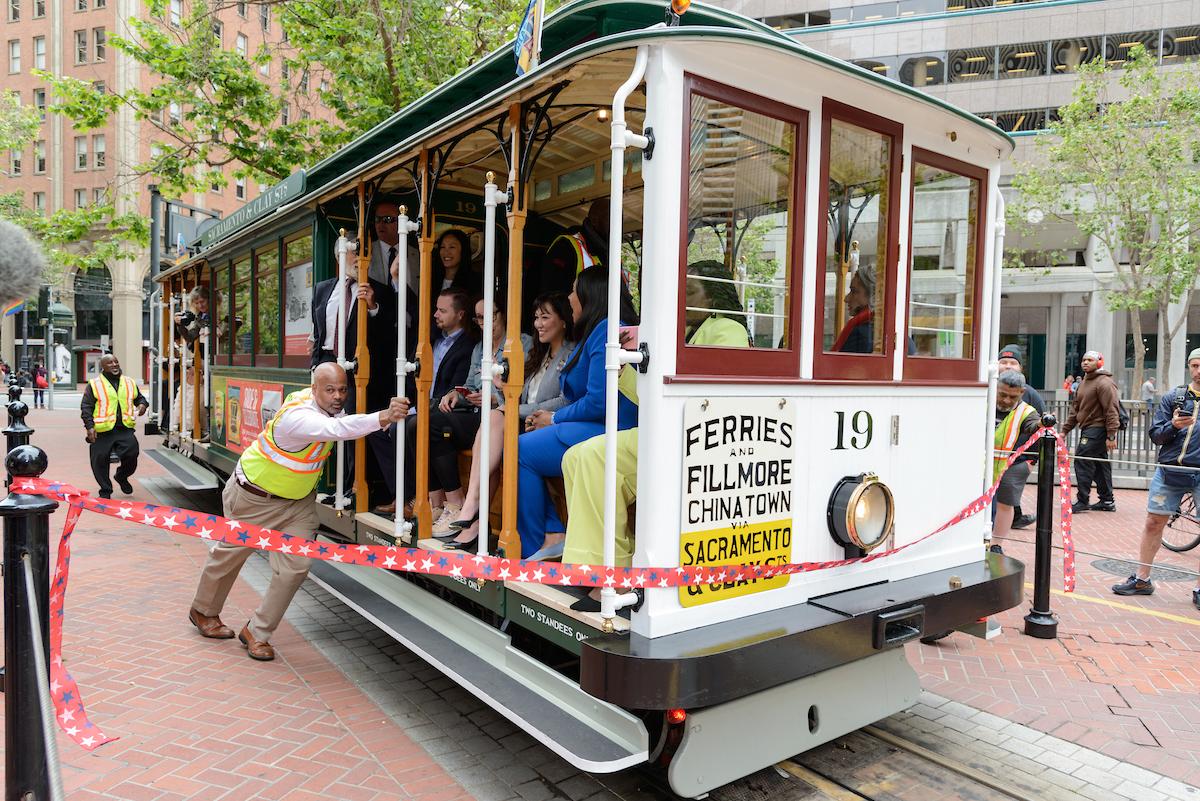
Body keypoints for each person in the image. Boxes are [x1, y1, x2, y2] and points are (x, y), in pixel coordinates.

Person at [188, 363, 410, 660]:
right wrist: (383, 416)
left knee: (296, 567)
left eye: (343, 389)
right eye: (330, 390)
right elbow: (338, 430)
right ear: (313, 388)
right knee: (230, 555)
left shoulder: (328, 407)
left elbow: (343, 421)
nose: (338, 396)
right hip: (254, 498)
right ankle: (203, 611)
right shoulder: (298, 416)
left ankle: (258, 631)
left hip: (298, 504)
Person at [516, 267, 638, 560]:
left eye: (573, 290)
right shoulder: (600, 329)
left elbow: (599, 401)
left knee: (519, 450)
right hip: (598, 425)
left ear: (590, 294)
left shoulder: (608, 329)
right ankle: (551, 535)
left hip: (612, 427)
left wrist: (553, 419)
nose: (569, 297)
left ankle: (543, 540)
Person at [441, 293, 574, 550]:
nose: (538, 324)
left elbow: (563, 401)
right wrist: (504, 392)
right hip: (523, 424)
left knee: (503, 431)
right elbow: (514, 398)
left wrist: (515, 407)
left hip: (549, 427)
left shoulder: (571, 354)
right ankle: (475, 514)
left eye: (545, 317)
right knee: (495, 426)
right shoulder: (539, 354)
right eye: (536, 317)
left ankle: (474, 510)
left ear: (564, 321)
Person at [425, 299, 531, 542]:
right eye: (479, 318)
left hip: (505, 417)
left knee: (435, 426)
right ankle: (444, 505)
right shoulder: (479, 348)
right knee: (425, 423)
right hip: (477, 414)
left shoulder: (522, 343)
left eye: (490, 316)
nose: (485, 323)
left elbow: (521, 391)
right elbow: (472, 387)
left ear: (503, 314)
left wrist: (493, 398)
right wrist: (457, 394)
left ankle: (460, 507)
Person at [369, 288, 478, 516]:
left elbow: (453, 390)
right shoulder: (432, 341)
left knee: (404, 427)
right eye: (435, 309)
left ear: (460, 315)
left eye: (442, 310)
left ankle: (415, 499)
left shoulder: (468, 347)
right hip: (420, 406)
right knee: (377, 429)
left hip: (442, 412)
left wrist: (411, 413)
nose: (435, 314)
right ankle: (405, 495)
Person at [1111, 348, 1200, 612]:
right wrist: (1173, 426)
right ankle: (1142, 579)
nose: (1198, 371)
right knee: (1153, 522)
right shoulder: (1175, 397)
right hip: (1169, 470)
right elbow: (1156, 436)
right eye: (1194, 365)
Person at [80, 354, 149, 499]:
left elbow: (140, 398)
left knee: (132, 454)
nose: (114, 365)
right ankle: (105, 490)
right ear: (103, 367)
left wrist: (142, 405)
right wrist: (89, 427)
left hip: (124, 428)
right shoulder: (94, 384)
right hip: (102, 430)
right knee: (99, 460)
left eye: (116, 362)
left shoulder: (129, 382)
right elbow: (86, 406)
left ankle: (121, 476)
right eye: (110, 363)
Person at [1061, 350, 1120, 513]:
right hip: (1088, 428)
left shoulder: (1104, 383)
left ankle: (1082, 500)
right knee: (1100, 465)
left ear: (1099, 363)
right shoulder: (1083, 383)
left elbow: (1111, 410)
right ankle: (1107, 501)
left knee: (1082, 460)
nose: (1085, 362)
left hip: (1097, 429)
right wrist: (1064, 431)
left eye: (1090, 360)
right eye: (1084, 360)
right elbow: (1075, 410)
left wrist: (1111, 435)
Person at [996, 344, 1044, 529]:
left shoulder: (1031, 395)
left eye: (1013, 362)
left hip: (1016, 462)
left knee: (1006, 504)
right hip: (986, 462)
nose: (1008, 366)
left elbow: (1037, 428)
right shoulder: (984, 390)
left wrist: (1030, 461)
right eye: (1004, 361)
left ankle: (997, 544)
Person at [991, 371, 1040, 551]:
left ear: (1022, 392)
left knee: (1006, 503)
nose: (1005, 400)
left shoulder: (1027, 411)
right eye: (1002, 394)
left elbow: (1033, 425)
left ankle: (996, 544)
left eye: (1012, 397)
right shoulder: (984, 400)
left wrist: (1042, 424)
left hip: (1012, 464)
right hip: (981, 463)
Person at [683, 260, 752, 347]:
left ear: (712, 297)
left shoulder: (729, 329)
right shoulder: (688, 330)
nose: (681, 298)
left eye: (689, 292)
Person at [432, 229, 483, 299]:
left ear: (463, 250)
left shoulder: (475, 282)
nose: (446, 252)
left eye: (452, 247)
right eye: (442, 247)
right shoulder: (430, 279)